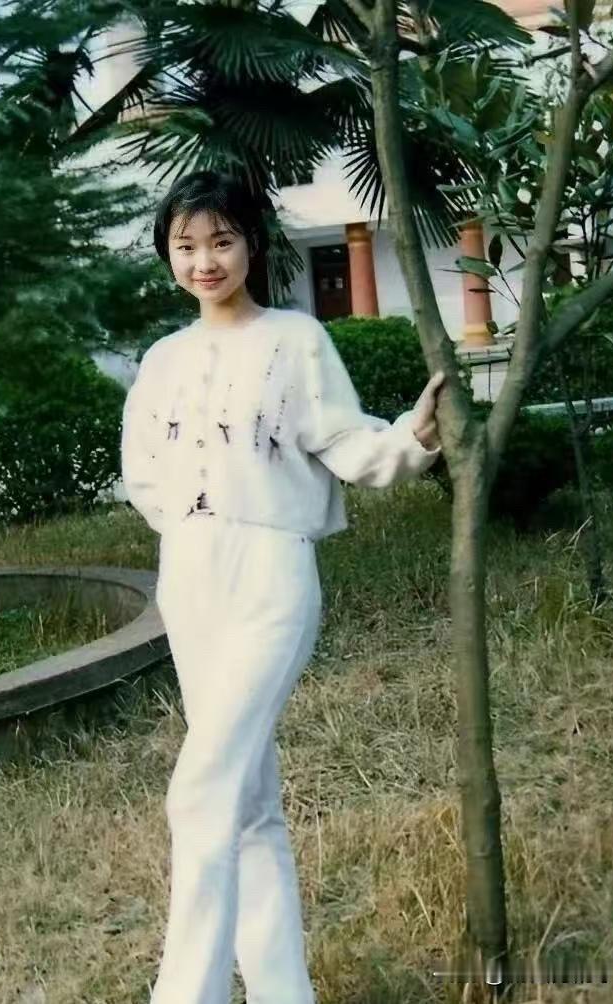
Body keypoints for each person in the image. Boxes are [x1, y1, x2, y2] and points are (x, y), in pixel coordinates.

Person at [120, 169, 444, 1004]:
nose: (205, 261)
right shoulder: (162, 360)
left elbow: (345, 441)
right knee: (249, 803)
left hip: (270, 573)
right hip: (190, 575)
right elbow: (143, 474)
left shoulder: (296, 341)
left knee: (201, 789)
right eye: (186, 246)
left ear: (252, 245)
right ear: (167, 255)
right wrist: (195, 526)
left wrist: (413, 437)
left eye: (221, 241)